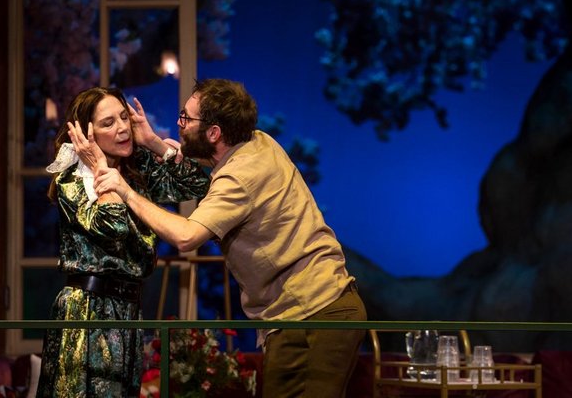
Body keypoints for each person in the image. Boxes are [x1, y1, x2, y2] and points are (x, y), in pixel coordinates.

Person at [78, 78, 367, 398]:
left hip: (317, 312)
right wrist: (155, 143)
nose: (179, 123)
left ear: (214, 132)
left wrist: (125, 191)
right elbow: (205, 164)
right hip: (293, 315)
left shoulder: (239, 177)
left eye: (186, 118)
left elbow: (186, 237)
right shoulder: (257, 140)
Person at [36, 87, 209, 398]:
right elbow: (113, 226)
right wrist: (101, 169)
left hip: (128, 309)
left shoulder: (138, 170)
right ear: (87, 134)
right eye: (108, 122)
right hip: (88, 309)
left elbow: (199, 184)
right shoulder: (73, 181)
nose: (122, 128)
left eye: (124, 117)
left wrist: (153, 142)